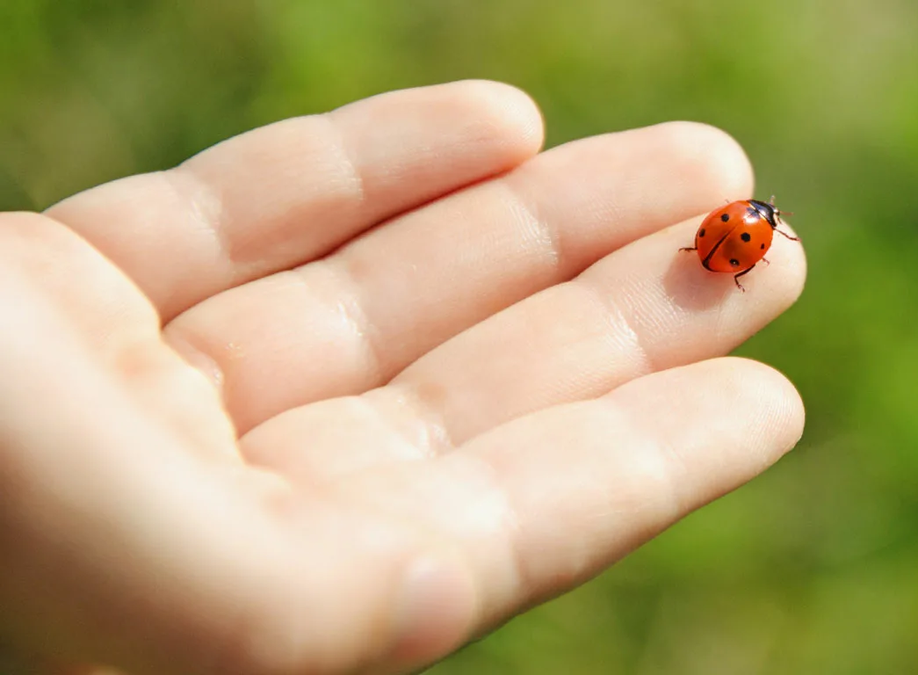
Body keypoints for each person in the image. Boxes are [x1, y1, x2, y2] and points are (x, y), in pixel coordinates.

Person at [0, 80, 806, 675]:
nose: (754, 228)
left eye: (754, 229)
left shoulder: (729, 229)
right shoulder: (741, 234)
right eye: (757, 227)